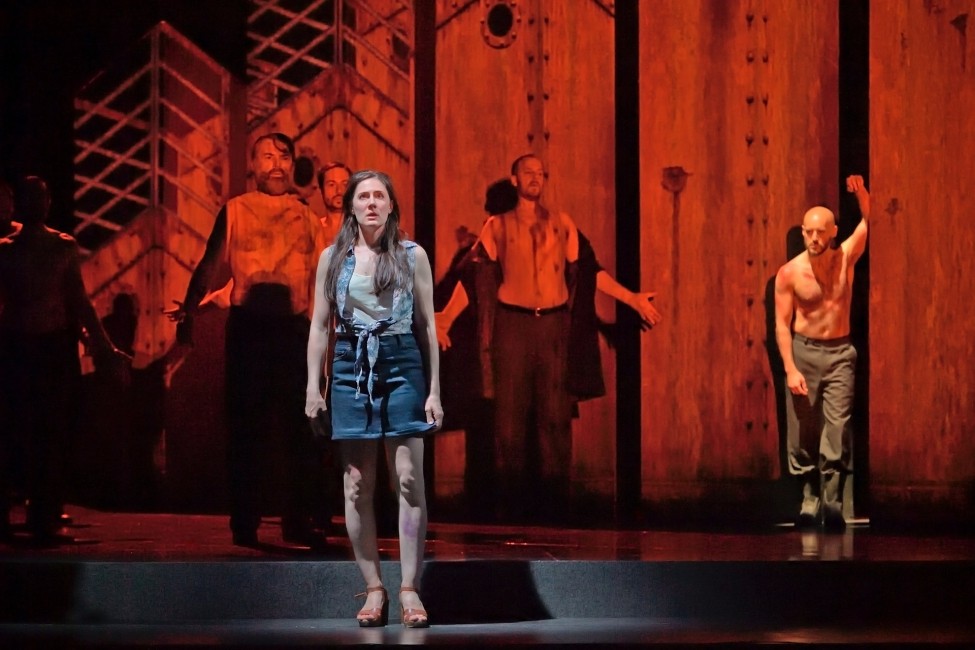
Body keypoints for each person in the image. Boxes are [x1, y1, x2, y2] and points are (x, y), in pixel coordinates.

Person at [441, 160, 661, 521]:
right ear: (514, 180)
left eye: (540, 172)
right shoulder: (497, 226)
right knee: (508, 421)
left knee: (555, 419)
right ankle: (509, 508)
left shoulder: (562, 223)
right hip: (513, 325)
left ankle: (556, 509)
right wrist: (447, 318)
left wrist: (631, 298)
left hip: (553, 326)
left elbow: (589, 271)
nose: (534, 177)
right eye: (527, 172)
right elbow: (473, 278)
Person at [168, 133, 330, 549]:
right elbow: (209, 262)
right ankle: (245, 518)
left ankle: (298, 519)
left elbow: (325, 282)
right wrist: (188, 312)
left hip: (293, 330)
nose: (276, 164)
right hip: (249, 329)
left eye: (283, 157)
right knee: (246, 428)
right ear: (253, 165)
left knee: (301, 428)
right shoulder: (236, 210)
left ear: (293, 165)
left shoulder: (307, 217)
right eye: (267, 157)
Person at [305, 170, 442, 628]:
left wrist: (434, 390)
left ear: (390, 205)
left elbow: (427, 325)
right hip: (351, 365)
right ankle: (374, 589)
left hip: (402, 361)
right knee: (357, 482)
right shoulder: (334, 257)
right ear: (350, 206)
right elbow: (320, 326)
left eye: (378, 196)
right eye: (362, 196)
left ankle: (409, 588)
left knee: (407, 477)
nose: (370, 203)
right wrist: (313, 387)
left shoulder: (411, 255)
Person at [0, 176, 129, 545]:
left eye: (40, 198)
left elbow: (80, 303)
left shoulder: (61, 246)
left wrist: (103, 346)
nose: (36, 205)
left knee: (48, 433)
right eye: (30, 198)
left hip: (49, 349)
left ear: (47, 203)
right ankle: (22, 514)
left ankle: (42, 515)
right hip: (18, 348)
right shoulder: (7, 249)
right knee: (18, 432)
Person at [773, 174, 869, 531]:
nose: (814, 238)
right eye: (808, 232)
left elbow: (868, 221)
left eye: (820, 232)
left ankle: (832, 500)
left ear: (832, 233)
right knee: (802, 430)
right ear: (803, 232)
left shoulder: (845, 257)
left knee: (837, 428)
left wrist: (862, 193)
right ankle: (809, 496)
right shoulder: (789, 273)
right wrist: (790, 368)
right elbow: (781, 325)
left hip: (840, 352)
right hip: (805, 353)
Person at [317, 161, 352, 245]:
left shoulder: (364, 229)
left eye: (345, 184)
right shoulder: (314, 229)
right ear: (321, 190)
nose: (339, 191)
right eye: (331, 184)